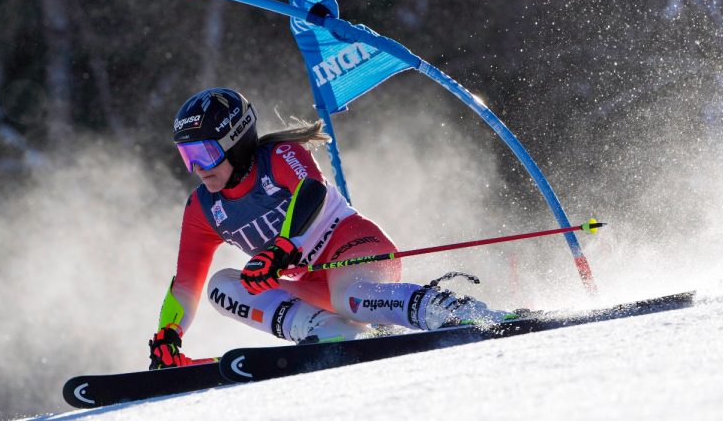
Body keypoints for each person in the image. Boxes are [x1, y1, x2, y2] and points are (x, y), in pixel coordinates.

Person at [148, 88, 508, 369]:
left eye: (205, 154)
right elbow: (184, 283)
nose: (198, 167)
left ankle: (453, 312)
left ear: (235, 141)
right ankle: (329, 330)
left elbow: (311, 190)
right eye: (188, 156)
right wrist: (169, 333)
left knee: (351, 297)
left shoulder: (279, 157)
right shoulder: (203, 208)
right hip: (311, 284)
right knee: (221, 287)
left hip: (354, 248)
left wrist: (282, 249)